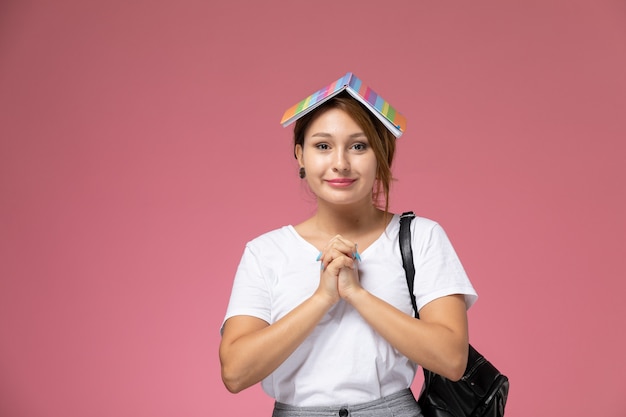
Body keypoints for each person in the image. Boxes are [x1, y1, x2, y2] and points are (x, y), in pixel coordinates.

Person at [219, 73, 477, 417]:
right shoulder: (266, 252)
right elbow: (235, 372)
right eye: (323, 146)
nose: (340, 163)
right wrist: (323, 297)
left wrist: (357, 294)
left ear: (382, 153)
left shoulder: (421, 237)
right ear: (300, 155)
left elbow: (452, 359)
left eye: (358, 146)